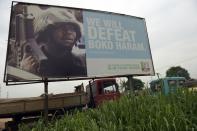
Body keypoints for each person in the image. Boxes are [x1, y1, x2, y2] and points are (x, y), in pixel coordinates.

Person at [20, 9, 87, 77]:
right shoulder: (32, 65)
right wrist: (26, 74)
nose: (69, 32)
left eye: (72, 28)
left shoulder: (82, 63)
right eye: (62, 27)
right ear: (46, 32)